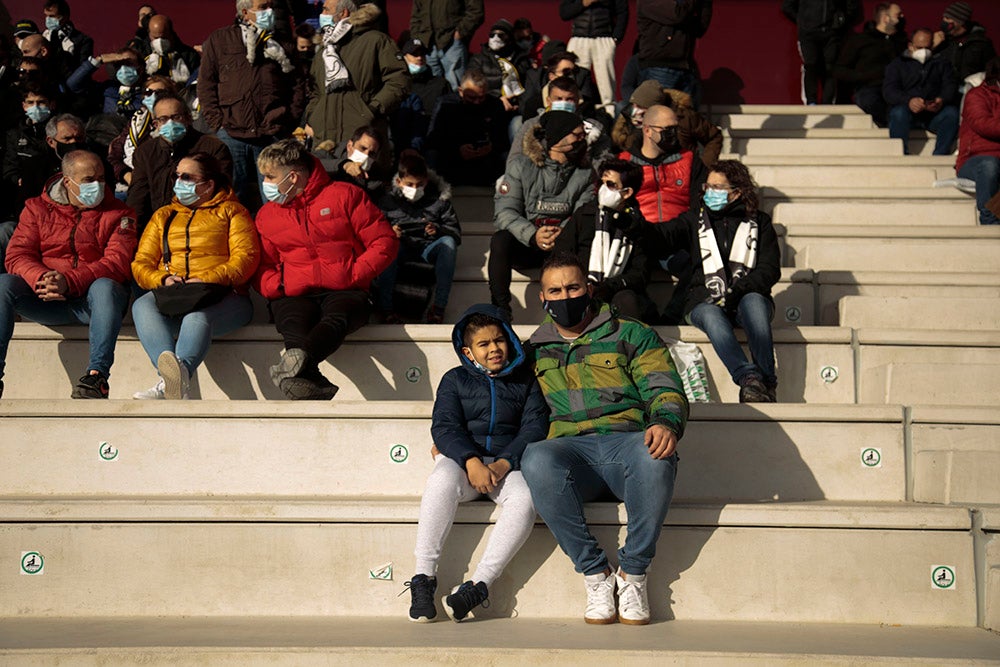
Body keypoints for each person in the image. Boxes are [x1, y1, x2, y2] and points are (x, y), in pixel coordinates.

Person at [520, 251, 688, 625]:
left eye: (573, 287)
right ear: (542, 298)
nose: (565, 297)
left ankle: (633, 574)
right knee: (535, 458)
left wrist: (665, 422)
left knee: (654, 455)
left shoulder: (631, 332)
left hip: (625, 445)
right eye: (555, 291)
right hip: (569, 455)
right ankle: (596, 574)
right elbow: (503, 404)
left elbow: (664, 386)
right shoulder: (531, 351)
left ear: (589, 288)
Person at [406, 304, 549, 622]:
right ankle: (423, 578)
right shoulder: (454, 380)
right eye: (484, 344)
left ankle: (479, 584)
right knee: (440, 481)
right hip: (462, 464)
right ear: (468, 352)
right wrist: (470, 461)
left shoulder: (524, 381)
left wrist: (503, 463)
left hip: (506, 467)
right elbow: (444, 427)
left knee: (526, 499)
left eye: (499, 340)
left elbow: (535, 426)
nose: (494, 349)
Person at [253, 139, 397, 400]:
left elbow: (384, 241)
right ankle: (308, 377)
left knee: (338, 317)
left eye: (270, 176)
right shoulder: (266, 215)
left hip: (345, 289)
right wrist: (279, 285)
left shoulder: (345, 194)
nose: (266, 183)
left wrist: (354, 274)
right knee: (291, 324)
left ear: (293, 176)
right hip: (295, 292)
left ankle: (300, 370)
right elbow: (263, 264)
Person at [0, 150, 137, 399]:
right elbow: (17, 255)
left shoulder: (121, 214)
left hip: (93, 303)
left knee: (106, 286)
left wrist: (70, 281)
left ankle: (96, 377)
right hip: (45, 298)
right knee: (3, 284)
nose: (96, 185)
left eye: (101, 178)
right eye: (88, 180)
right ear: (67, 181)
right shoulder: (35, 208)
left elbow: (117, 262)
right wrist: (42, 278)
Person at [641, 160, 781, 402]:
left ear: (737, 192)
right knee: (710, 315)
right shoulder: (694, 219)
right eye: (708, 186)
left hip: (746, 296)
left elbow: (769, 270)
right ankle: (750, 379)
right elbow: (662, 236)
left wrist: (739, 289)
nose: (709, 192)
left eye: (718, 188)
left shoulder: (761, 222)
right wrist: (635, 223)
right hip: (702, 299)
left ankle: (767, 381)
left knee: (755, 303)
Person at [130, 153, 260, 400]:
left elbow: (246, 259)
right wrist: (163, 280)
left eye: (187, 177)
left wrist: (208, 278)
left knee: (197, 316)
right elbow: (141, 263)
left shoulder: (233, 212)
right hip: (175, 295)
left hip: (225, 297)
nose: (179, 182)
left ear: (209, 184)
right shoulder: (163, 215)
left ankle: (176, 378)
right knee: (141, 304)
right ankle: (170, 379)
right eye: (176, 176)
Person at [199, 0, 304, 211]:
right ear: (246, 12)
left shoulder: (283, 42)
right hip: (231, 134)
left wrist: (288, 120)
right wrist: (217, 122)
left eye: (271, 6)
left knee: (276, 198)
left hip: (272, 133)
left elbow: (299, 85)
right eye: (263, 7)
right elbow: (206, 84)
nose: (270, 11)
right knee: (229, 198)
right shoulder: (220, 40)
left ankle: (274, 241)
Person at [489, 110, 595, 320]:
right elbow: (504, 211)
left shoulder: (586, 173)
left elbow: (582, 214)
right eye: (577, 135)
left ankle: (581, 308)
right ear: (557, 138)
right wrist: (533, 234)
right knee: (500, 239)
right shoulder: (521, 166)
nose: (583, 140)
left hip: (563, 245)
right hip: (527, 242)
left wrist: (560, 233)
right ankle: (500, 309)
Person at [304, 0, 409, 170]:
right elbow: (316, 91)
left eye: (326, 9)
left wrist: (371, 110)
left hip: (362, 138)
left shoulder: (376, 40)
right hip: (325, 141)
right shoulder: (325, 48)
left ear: (343, 13)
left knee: (363, 191)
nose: (321, 14)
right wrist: (313, 115)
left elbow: (399, 81)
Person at [553, 158, 655, 322]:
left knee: (627, 299)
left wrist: (610, 286)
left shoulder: (636, 225)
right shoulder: (584, 214)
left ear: (627, 192)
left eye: (611, 185)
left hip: (618, 290)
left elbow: (640, 273)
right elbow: (562, 252)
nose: (603, 189)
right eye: (601, 183)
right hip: (581, 285)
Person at [374, 150, 461, 324]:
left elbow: (455, 233)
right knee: (386, 245)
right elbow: (373, 231)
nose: (415, 189)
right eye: (410, 184)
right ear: (399, 182)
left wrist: (437, 230)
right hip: (400, 247)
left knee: (448, 244)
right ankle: (386, 310)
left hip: (428, 247)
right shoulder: (386, 201)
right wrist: (390, 232)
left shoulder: (439, 200)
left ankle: (438, 308)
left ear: (426, 181)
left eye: (419, 185)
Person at [127, 93, 234, 232]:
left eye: (176, 117)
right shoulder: (146, 152)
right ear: (156, 124)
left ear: (188, 118)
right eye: (163, 119)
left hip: (201, 227)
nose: (170, 123)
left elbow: (221, 195)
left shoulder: (213, 148)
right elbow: (138, 198)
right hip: (157, 227)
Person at [621, 104, 708, 224]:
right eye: (667, 129)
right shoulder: (624, 162)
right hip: (639, 233)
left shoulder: (690, 160)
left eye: (675, 128)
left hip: (681, 233)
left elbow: (699, 202)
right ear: (647, 130)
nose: (673, 133)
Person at [883, 28, 960, 156]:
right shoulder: (897, 65)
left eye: (927, 47)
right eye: (919, 47)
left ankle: (940, 154)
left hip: (933, 114)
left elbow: (950, 86)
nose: (923, 52)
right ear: (910, 46)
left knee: (951, 113)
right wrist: (909, 101)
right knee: (898, 113)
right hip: (907, 113)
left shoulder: (941, 64)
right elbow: (889, 91)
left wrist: (941, 99)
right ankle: (901, 153)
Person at [611, 80, 722, 167]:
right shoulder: (627, 119)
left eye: (641, 107)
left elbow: (714, 137)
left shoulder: (684, 117)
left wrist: (705, 167)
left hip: (681, 172)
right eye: (634, 105)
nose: (635, 111)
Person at [426, 69, 508, 186]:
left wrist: (490, 147)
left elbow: (502, 138)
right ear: (460, 91)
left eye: (481, 97)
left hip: (486, 157)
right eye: (471, 98)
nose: (477, 102)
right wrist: (457, 149)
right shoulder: (446, 105)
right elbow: (433, 138)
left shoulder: (495, 105)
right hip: (452, 155)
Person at [508, 75, 612, 167]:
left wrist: (585, 147)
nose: (564, 103)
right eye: (558, 99)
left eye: (569, 99)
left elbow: (604, 162)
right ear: (549, 101)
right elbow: (515, 159)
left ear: (577, 101)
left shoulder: (594, 128)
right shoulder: (531, 125)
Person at [833, 2, 908, 127]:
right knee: (869, 100)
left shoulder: (903, 42)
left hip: (897, 89)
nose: (902, 17)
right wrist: (864, 76)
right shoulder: (860, 40)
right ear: (885, 18)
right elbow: (839, 70)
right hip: (869, 88)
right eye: (898, 14)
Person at [107, 75, 177, 196]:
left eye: (160, 92)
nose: (154, 96)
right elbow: (114, 156)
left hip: (160, 186)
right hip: (129, 183)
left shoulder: (176, 125)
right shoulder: (136, 120)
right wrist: (126, 175)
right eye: (149, 92)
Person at [783, 0, 862, 105]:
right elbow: (787, 6)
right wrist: (802, 21)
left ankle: (828, 104)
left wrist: (841, 21)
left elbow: (852, 6)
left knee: (831, 68)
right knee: (811, 66)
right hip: (808, 35)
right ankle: (811, 102)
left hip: (832, 33)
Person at [635, 0, 713, 105]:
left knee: (687, 116)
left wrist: (705, 4)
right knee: (660, 115)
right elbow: (677, 14)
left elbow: (699, 28)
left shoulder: (684, 5)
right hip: (660, 67)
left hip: (686, 66)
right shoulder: (650, 2)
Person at [559, 0, 628, 115]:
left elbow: (622, 11)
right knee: (575, 77)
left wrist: (615, 38)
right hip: (579, 38)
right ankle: (574, 112)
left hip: (604, 37)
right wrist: (583, 3)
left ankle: (609, 115)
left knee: (606, 82)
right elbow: (564, 13)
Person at [956, 57, 1000, 225]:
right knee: (990, 165)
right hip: (975, 159)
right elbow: (983, 124)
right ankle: (990, 219)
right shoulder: (977, 95)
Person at [391, 35, 451, 156]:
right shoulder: (395, 85)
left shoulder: (440, 84)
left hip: (432, 145)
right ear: (404, 58)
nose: (419, 58)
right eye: (414, 54)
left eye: (422, 54)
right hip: (400, 145)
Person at [409, 0, 485, 91]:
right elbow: (416, 15)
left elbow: (476, 11)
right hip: (427, 43)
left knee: (455, 86)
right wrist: (417, 37)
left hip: (451, 42)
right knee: (432, 88)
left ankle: (456, 105)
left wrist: (460, 33)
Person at [467, 19, 531, 123]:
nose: (495, 38)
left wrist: (517, 103)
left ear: (510, 38)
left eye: (501, 35)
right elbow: (473, 87)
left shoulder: (522, 60)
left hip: (516, 109)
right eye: (492, 35)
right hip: (487, 108)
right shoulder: (478, 60)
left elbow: (529, 87)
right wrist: (497, 101)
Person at [933, 2, 996, 85]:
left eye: (947, 18)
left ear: (960, 21)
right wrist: (931, 47)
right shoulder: (941, 41)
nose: (944, 21)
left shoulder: (981, 43)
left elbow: (992, 71)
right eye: (943, 17)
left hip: (969, 91)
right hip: (944, 92)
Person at [142, 14, 200, 89]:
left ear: (171, 33)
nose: (159, 41)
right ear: (149, 34)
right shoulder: (142, 54)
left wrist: (180, 85)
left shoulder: (188, 55)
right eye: (155, 38)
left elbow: (196, 81)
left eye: (164, 37)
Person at [41, 0, 94, 71]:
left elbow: (83, 70)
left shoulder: (83, 41)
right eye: (46, 15)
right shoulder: (41, 36)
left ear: (64, 16)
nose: (48, 19)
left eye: (52, 16)